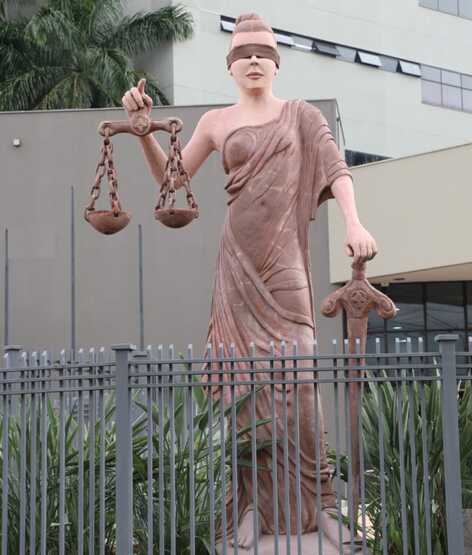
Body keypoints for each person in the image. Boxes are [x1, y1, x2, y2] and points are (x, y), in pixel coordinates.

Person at [121, 12, 377, 551]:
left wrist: (354, 222)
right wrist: (144, 134)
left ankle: (324, 505)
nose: (254, 61)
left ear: (277, 65)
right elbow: (172, 179)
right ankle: (249, 507)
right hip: (236, 267)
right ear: (231, 67)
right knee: (242, 390)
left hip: (286, 265)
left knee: (301, 377)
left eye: (263, 54)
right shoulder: (217, 122)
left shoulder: (302, 116)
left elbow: (337, 170)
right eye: (243, 55)